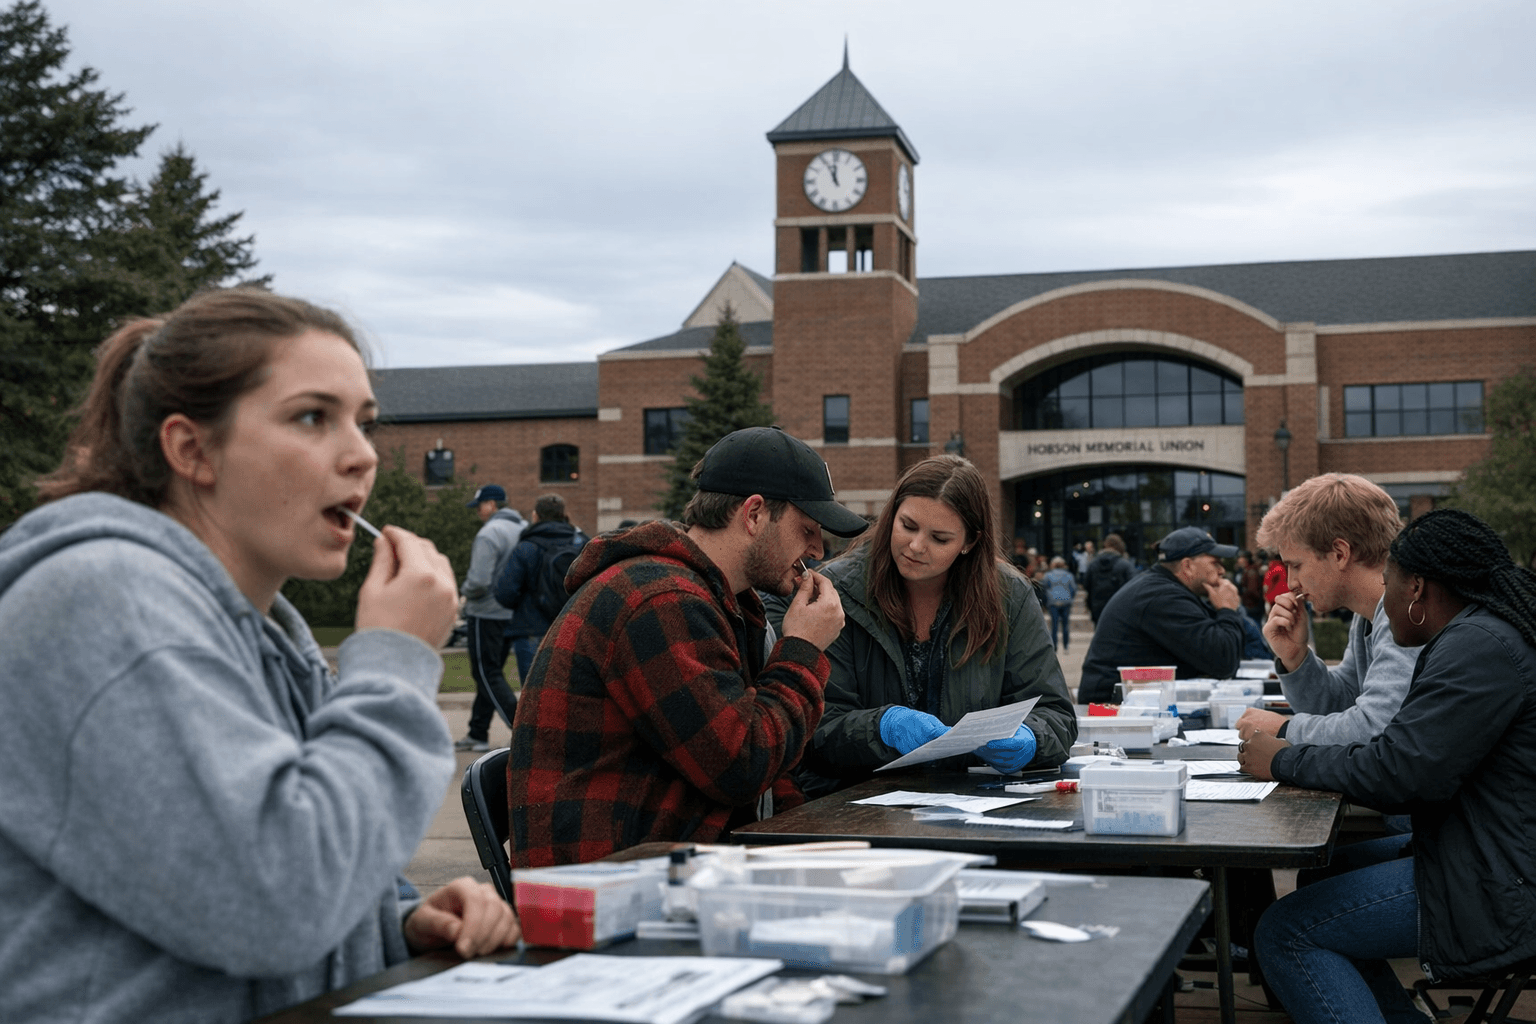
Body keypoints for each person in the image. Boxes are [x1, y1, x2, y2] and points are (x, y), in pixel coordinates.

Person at [0, 290, 519, 1024]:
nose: (363, 455)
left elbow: (234, 876)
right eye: (313, 417)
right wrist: (397, 659)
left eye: (365, 422)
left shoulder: (265, 628)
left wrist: (395, 925)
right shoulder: (102, 602)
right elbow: (277, 900)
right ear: (191, 450)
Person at [506, 426, 868, 866]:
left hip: (669, 862)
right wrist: (803, 650)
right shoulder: (661, 600)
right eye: (807, 529)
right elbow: (742, 765)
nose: (817, 550)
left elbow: (767, 772)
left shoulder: (717, 599)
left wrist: (805, 838)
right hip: (607, 885)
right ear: (754, 514)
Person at [1240, 508, 1536, 1024]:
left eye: (1389, 583)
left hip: (1504, 881)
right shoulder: (1475, 635)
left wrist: (1283, 757)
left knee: (1286, 932)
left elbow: (1399, 773)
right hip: (1490, 846)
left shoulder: (1477, 648)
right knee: (1326, 871)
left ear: (1416, 588)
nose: (1383, 599)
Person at [779, 456, 1076, 797]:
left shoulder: (1009, 596)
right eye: (907, 526)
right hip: (854, 801)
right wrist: (882, 728)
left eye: (940, 538)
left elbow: (1055, 714)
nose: (917, 546)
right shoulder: (837, 592)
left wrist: (1032, 738)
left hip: (975, 800)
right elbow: (812, 730)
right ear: (891, 516)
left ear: (969, 542)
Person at [1234, 475, 1422, 757]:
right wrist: (1296, 658)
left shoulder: (1408, 611)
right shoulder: (1369, 613)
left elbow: (1378, 728)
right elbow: (1344, 703)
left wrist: (1285, 729)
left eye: (1296, 565)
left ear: (1339, 553)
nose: (1291, 583)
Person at [1078, 526, 1245, 704]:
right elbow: (1223, 662)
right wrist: (1228, 609)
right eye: (1215, 563)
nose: (1221, 571)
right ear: (1187, 566)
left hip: (1131, 703)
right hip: (1112, 709)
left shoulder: (1163, 589)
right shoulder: (1163, 597)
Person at [456, 483, 525, 752]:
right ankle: (478, 732)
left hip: (485, 612)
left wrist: (463, 594)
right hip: (512, 613)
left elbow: (478, 581)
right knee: (490, 672)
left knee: (486, 672)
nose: (478, 512)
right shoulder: (523, 529)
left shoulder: (489, 533)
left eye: (480, 506)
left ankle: (523, 731)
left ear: (492, 505)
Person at [492, 492, 587, 684]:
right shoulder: (581, 543)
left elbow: (505, 592)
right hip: (571, 626)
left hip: (531, 627)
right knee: (569, 690)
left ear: (535, 516)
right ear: (564, 515)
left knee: (534, 692)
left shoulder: (526, 546)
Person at [1084, 533, 1134, 625]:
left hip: (1098, 608)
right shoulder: (1125, 564)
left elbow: (1086, 584)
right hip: (1119, 608)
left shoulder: (1093, 564)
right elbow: (1133, 586)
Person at [1042, 555, 1077, 652]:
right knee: (1065, 624)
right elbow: (1073, 588)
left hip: (1053, 601)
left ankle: (1055, 646)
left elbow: (1044, 586)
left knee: (1054, 625)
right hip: (1066, 601)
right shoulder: (1069, 575)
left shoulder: (1048, 575)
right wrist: (1070, 597)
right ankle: (1066, 646)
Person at [1235, 549, 1266, 624]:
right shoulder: (1246, 571)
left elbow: (1253, 591)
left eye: (1240, 557)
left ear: (1246, 559)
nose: (1238, 560)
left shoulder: (1251, 572)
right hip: (1250, 606)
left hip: (1252, 607)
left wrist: (1243, 593)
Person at [1263, 549, 1289, 614]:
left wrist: (1267, 597)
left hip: (1274, 598)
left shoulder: (1273, 569)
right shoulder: (1283, 568)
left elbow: (1266, 585)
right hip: (1284, 596)